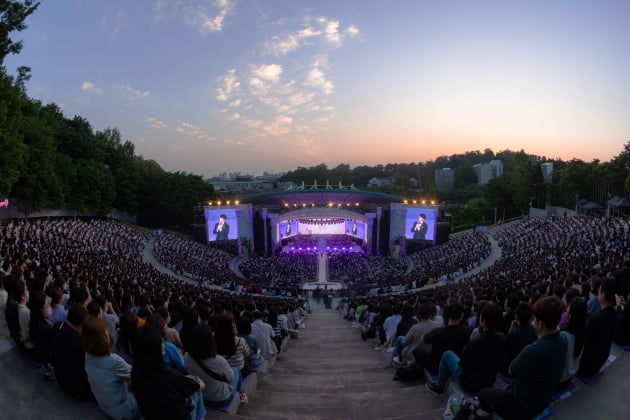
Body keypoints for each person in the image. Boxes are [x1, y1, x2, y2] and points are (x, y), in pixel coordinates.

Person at [478, 296, 567, 419]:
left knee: (483, 393)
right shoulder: (563, 339)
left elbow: (511, 370)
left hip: (523, 405)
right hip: (545, 398)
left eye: (535, 318)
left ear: (540, 323)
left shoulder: (533, 350)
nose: (533, 320)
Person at [131, 324, 206, 420]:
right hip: (177, 415)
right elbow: (198, 386)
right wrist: (200, 383)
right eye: (160, 342)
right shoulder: (170, 377)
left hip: (150, 413)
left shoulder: (135, 370)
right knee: (195, 385)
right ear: (155, 350)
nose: (163, 345)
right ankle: (200, 417)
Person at [426, 303, 505, 394]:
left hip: (471, 383)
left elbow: (463, 363)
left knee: (447, 354)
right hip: (490, 380)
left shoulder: (475, 342)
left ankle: (439, 386)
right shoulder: (502, 337)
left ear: (483, 321)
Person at [82, 316, 141, 420]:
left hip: (103, 404)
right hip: (123, 411)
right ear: (103, 336)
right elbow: (137, 375)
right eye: (105, 329)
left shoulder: (87, 354)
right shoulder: (114, 361)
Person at [184, 323, 243, 407]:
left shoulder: (186, 356)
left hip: (201, 397)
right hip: (220, 399)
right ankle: (241, 394)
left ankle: (240, 394)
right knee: (236, 370)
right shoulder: (219, 361)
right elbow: (230, 378)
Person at [578, 277, 619, 378]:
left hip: (588, 365)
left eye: (599, 290)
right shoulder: (614, 312)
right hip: (602, 358)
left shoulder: (597, 318)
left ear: (603, 295)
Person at [50, 304, 92, 400]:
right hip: (74, 386)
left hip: (59, 374)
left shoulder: (57, 326)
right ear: (80, 324)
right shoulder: (78, 339)